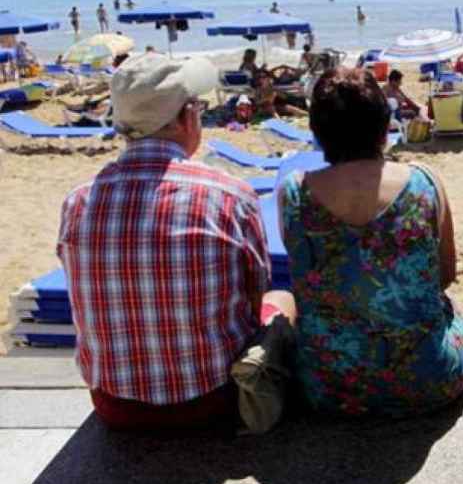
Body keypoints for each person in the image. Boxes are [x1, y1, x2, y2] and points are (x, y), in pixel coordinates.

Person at [57, 54, 297, 431]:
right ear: (187, 117)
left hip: (113, 406)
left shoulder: (78, 202)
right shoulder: (229, 195)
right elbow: (255, 300)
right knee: (282, 300)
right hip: (213, 400)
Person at [280, 68, 463, 415]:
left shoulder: (294, 191)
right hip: (428, 383)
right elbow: (444, 275)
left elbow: (303, 275)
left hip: (327, 387)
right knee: (454, 311)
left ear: (318, 133)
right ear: (385, 128)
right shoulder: (424, 183)